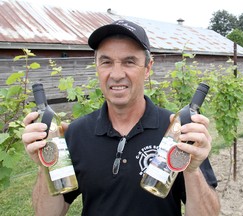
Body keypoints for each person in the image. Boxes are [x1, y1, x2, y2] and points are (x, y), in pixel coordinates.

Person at [22, 19, 220, 216]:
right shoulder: (76, 132)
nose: (116, 74)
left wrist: (192, 171)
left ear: (148, 67)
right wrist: (44, 167)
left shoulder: (179, 133)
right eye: (106, 62)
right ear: (97, 66)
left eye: (129, 61)